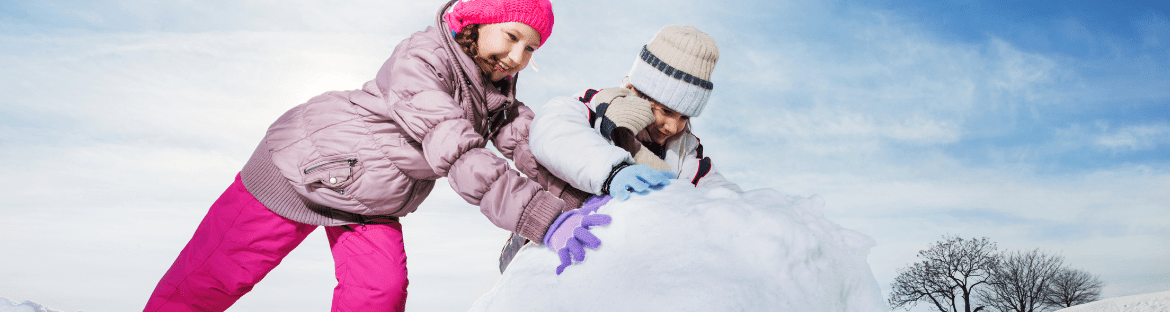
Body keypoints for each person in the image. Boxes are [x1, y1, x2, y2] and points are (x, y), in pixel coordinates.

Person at [143, 0, 598, 311]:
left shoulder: (493, 92)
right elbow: (456, 149)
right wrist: (544, 218)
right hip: (298, 168)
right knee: (213, 278)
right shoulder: (422, 61)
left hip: (370, 198)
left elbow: (531, 146)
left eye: (531, 50)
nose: (517, 57)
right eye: (513, 37)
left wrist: (588, 196)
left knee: (379, 293)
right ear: (476, 22)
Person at [498, 24, 741, 273]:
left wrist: (747, 215)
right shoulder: (598, 108)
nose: (673, 126)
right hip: (551, 232)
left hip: (612, 253)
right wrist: (613, 170)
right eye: (666, 111)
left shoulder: (683, 150)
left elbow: (719, 193)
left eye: (684, 117)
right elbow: (554, 132)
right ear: (638, 92)